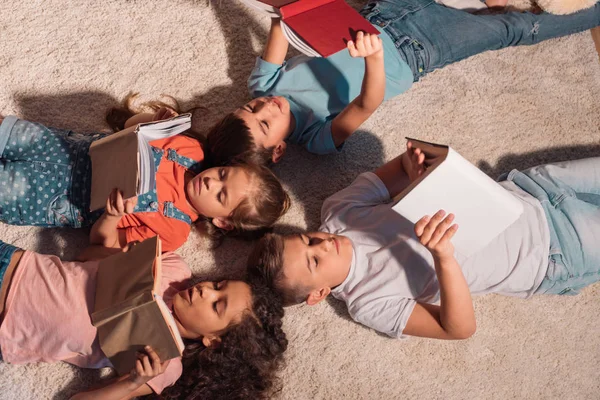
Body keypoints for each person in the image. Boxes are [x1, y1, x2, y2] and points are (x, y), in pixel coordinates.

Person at [247, 140, 600, 340]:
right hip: (553, 253)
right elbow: (458, 329)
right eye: (315, 261)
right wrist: (444, 257)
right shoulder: (369, 303)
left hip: (532, 189)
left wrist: (419, 171)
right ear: (319, 294)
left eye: (309, 239)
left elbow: (405, 163)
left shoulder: (339, 211)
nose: (323, 244)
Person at [207, 1, 600, 164]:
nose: (264, 107)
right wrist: (374, 57)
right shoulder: (316, 139)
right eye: (264, 124)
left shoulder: (263, 86)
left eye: (249, 108)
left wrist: (286, 11)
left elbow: (282, 23)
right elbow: (365, 105)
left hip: (380, 12)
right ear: (277, 151)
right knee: (512, 28)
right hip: (417, 51)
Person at [0, 240, 288, 399]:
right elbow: (87, 255)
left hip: (9, 326)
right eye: (218, 285)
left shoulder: (165, 365)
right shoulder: (174, 269)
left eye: (217, 305)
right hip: (15, 262)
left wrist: (131, 382)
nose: (205, 290)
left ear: (213, 340)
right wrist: (122, 256)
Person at [0, 110, 290, 251]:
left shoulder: (174, 232)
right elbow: (129, 128)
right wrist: (151, 120)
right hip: (63, 147)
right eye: (223, 174)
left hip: (55, 197)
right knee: (7, 130)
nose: (212, 182)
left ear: (223, 222)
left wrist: (113, 216)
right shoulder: (191, 150)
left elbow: (104, 245)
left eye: (221, 196)